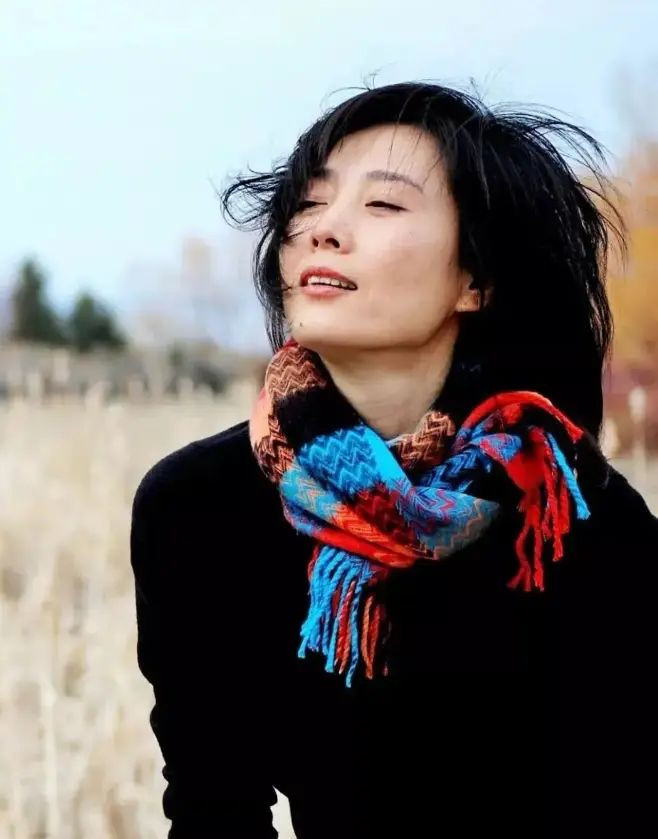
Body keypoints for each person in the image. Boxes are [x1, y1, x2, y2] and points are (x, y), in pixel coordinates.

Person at [130, 81, 658, 838]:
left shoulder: (566, 514)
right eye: (309, 203)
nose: (323, 230)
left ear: (476, 280)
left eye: (382, 204)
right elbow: (214, 809)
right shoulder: (200, 507)